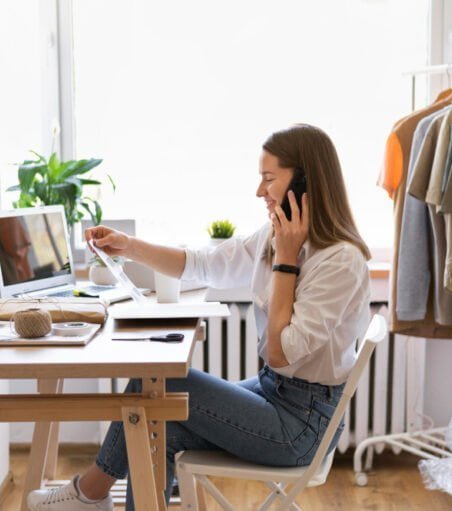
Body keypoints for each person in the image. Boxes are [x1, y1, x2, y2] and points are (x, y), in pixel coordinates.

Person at [27, 124, 372, 511]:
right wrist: (128, 247)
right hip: (275, 393)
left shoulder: (339, 260)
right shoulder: (275, 236)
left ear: (305, 181)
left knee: (153, 380)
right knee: (159, 421)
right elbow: (205, 264)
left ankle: (89, 493)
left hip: (300, 427)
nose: (259, 191)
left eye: (269, 179)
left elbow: (278, 354)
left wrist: (287, 264)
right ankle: (92, 494)